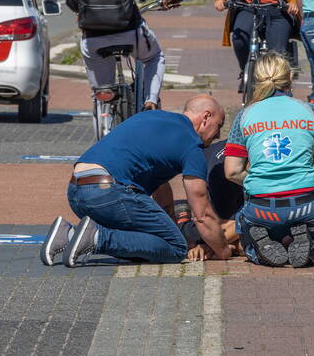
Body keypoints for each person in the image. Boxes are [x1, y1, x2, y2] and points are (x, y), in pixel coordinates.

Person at [39, 95, 232, 266]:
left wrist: (171, 229)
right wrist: (222, 251)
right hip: (107, 192)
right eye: (219, 125)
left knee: (157, 240)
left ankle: (67, 234)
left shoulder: (153, 117)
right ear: (206, 117)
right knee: (175, 248)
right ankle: (97, 238)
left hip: (76, 191)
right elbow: (202, 214)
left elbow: (162, 192)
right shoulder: (191, 145)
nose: (218, 135)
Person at [224, 52, 314, 267]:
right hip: (305, 204)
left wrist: (260, 179)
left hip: (261, 207)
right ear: (290, 78)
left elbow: (232, 171)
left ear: (257, 79)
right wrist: (311, 175)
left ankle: (258, 249)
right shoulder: (311, 111)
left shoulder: (245, 115)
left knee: (246, 245)